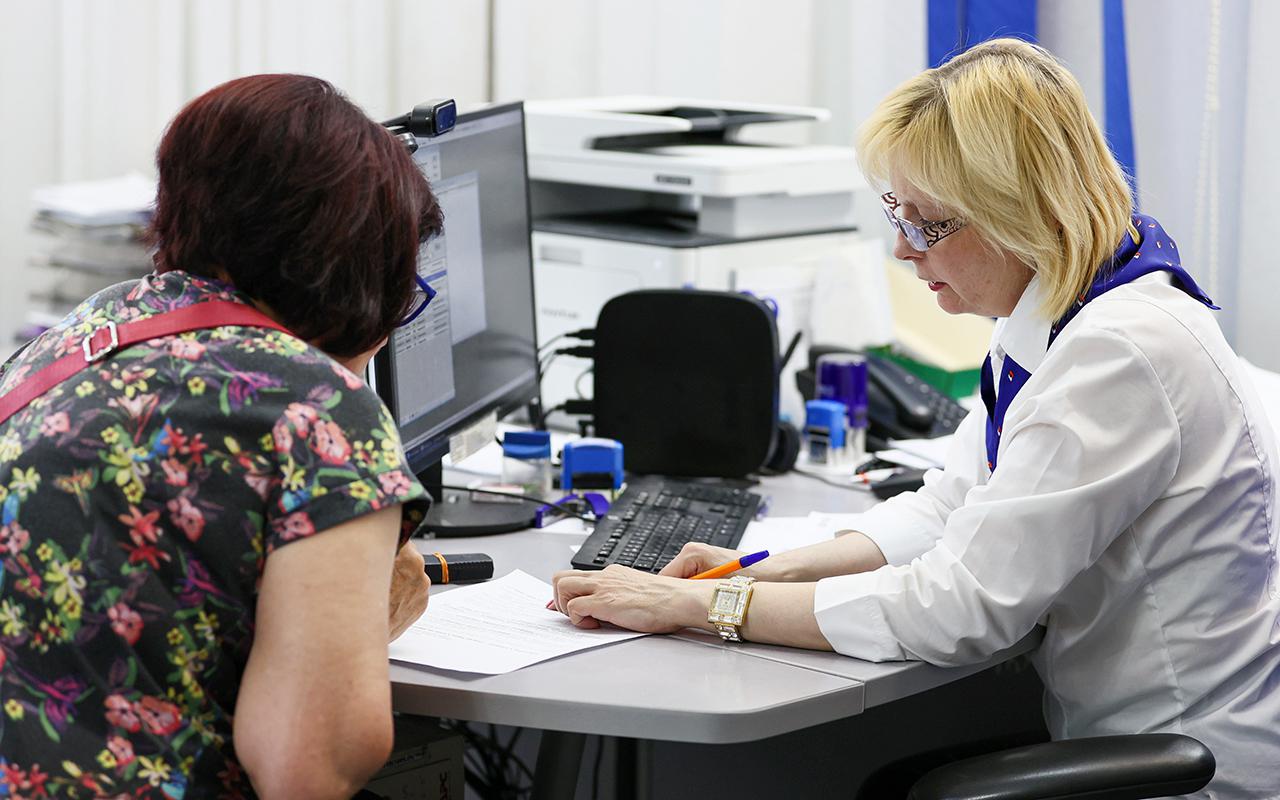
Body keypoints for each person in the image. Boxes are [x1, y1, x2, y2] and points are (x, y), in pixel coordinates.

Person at [550, 38, 1280, 798]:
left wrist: (706, 604)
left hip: (1186, 772)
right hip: (1127, 737)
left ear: (1016, 213)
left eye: (929, 224)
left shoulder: (1119, 354)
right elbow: (951, 503)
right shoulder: (1065, 307)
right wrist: (766, 566)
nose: (901, 248)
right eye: (899, 212)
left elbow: (960, 610)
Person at [0, 74, 438, 799]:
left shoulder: (79, 334)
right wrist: (363, 630)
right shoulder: (318, 406)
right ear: (357, 269)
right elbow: (309, 766)